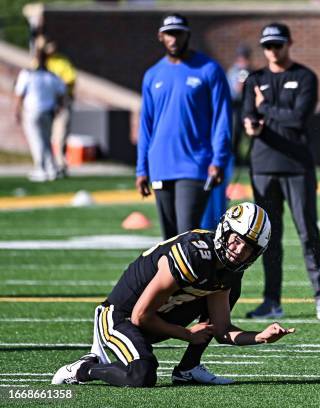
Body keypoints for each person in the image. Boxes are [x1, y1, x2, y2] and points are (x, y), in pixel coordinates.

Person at [52, 202, 296, 387]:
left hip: (156, 318)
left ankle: (188, 369)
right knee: (142, 375)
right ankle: (85, 369)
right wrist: (186, 334)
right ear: (225, 231)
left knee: (225, 294)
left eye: (248, 248)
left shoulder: (230, 273)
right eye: (236, 240)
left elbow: (221, 331)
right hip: (120, 317)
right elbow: (140, 316)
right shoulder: (193, 255)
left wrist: (261, 337)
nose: (239, 250)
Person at [242, 22, 320, 320]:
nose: (272, 51)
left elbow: (298, 119)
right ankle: (272, 301)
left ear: (289, 43)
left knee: (308, 233)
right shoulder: (254, 79)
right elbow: (247, 115)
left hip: (297, 167)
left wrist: (266, 107)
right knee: (268, 238)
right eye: (267, 46)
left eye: (277, 45)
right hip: (262, 167)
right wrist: (251, 123)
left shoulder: (305, 76)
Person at [136, 13, 233, 240]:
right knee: (168, 241)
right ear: (161, 36)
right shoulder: (152, 75)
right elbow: (146, 124)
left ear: (187, 35)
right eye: (169, 34)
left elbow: (222, 118)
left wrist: (219, 159)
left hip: (195, 164)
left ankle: (200, 276)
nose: (174, 39)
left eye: (178, 33)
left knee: (186, 236)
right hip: (161, 165)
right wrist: (141, 168)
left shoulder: (209, 70)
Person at [14, 45, 66, 182]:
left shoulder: (27, 74)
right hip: (48, 112)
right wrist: (58, 107)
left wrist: (17, 111)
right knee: (46, 141)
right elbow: (62, 92)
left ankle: (41, 169)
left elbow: (20, 94)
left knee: (37, 141)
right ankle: (52, 169)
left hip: (32, 112)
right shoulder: (52, 76)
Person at [43, 37, 77, 177]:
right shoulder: (40, 63)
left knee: (61, 134)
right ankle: (47, 165)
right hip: (45, 103)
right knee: (45, 135)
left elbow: (70, 80)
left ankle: (60, 164)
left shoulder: (61, 61)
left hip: (62, 102)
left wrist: (59, 93)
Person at [226, 44, 253, 164]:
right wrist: (243, 76)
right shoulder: (234, 72)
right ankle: (235, 159)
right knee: (235, 133)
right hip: (236, 106)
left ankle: (248, 159)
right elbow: (237, 90)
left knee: (249, 133)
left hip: (248, 105)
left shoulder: (250, 71)